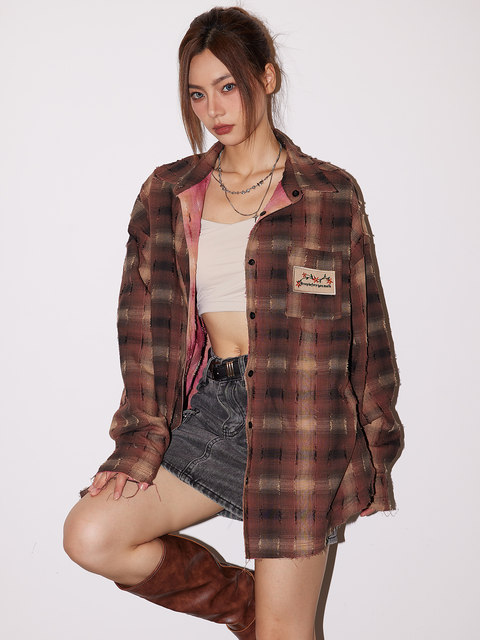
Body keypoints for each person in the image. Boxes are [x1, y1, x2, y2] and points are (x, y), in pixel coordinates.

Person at [63, 6, 402, 640]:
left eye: (228, 86)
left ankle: (278, 621)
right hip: (214, 412)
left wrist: (374, 451)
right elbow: (141, 334)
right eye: (198, 93)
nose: (214, 108)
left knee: (284, 635)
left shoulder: (329, 195)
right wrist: (136, 443)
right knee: (92, 533)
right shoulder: (168, 194)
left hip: (303, 424)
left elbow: (368, 335)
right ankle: (254, 608)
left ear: (266, 79)